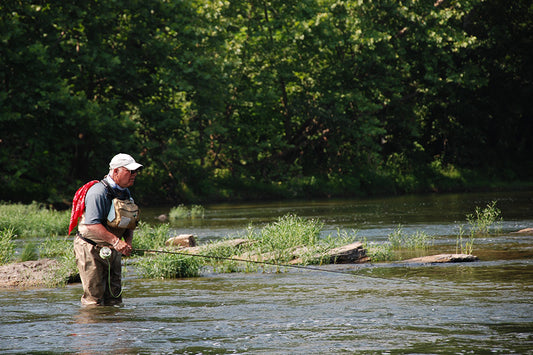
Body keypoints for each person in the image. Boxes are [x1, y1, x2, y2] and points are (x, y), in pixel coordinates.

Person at [73, 153, 142, 306]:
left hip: (112, 248)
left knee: (114, 298)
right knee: (94, 299)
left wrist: (127, 242)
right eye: (130, 171)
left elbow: (129, 223)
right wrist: (116, 241)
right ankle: (92, 329)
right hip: (91, 248)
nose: (134, 175)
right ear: (116, 171)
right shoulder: (99, 192)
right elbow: (92, 225)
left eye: (135, 171)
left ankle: (114, 328)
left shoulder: (125, 192)